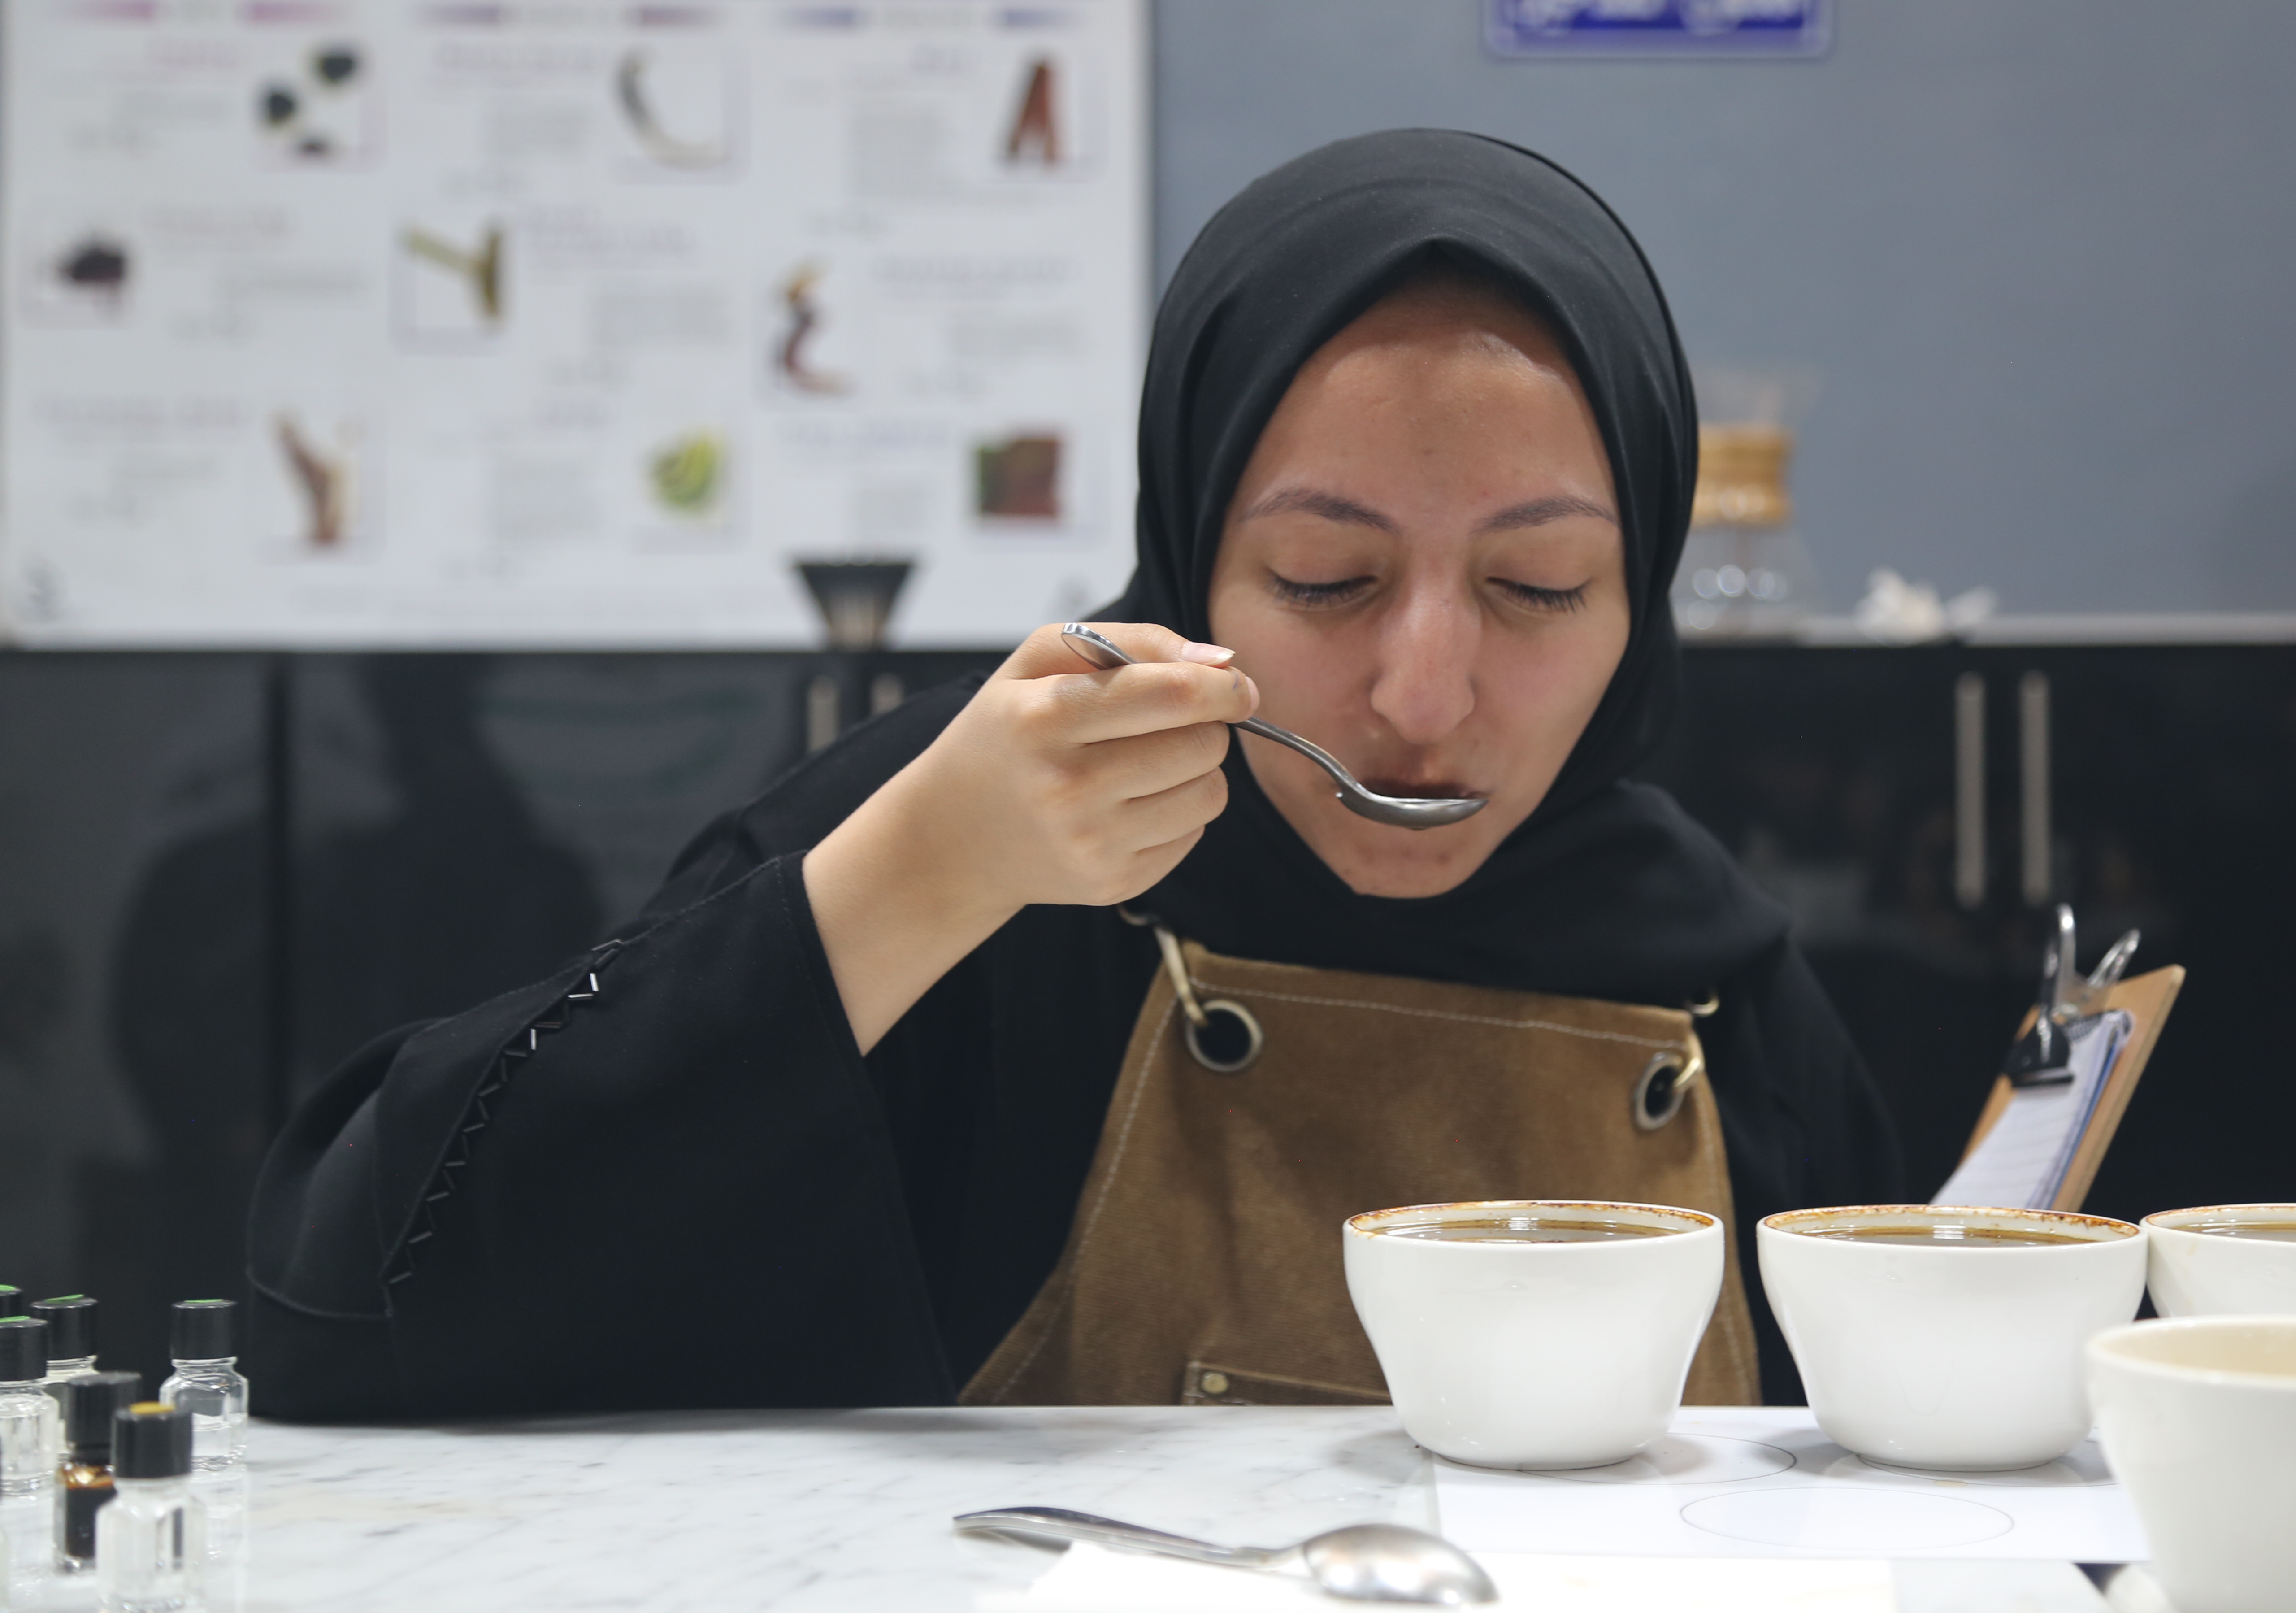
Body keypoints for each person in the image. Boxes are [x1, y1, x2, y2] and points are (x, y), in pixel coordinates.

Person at [249, 130, 1902, 1419]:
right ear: (1189, 573)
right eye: (1325, 579)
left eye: (1538, 590)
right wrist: (922, 876)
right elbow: (344, 1306)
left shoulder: (1710, 971)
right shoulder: (989, 843)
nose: (1424, 691)